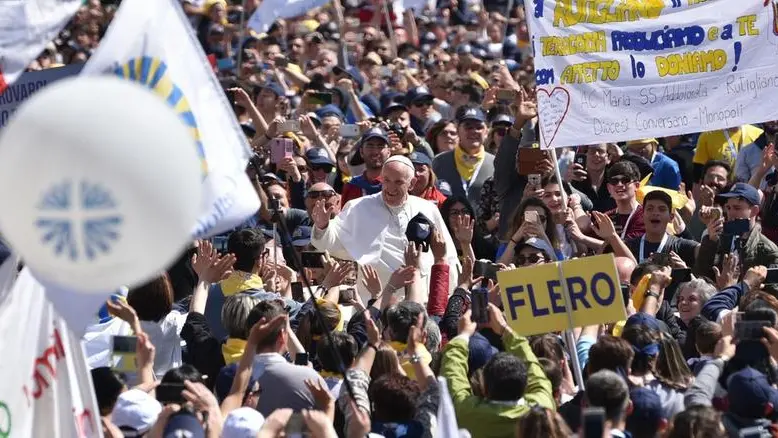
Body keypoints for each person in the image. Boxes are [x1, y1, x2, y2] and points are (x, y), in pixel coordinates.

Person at [311, 155, 459, 302]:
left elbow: (447, 254)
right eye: (386, 180)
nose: (390, 188)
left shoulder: (427, 208)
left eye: (398, 182)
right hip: (377, 299)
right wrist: (322, 225)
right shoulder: (358, 207)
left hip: (421, 296)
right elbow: (331, 243)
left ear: (412, 183)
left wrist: (448, 294)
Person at [440, 304, 554, 437]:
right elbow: (534, 370)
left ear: (484, 387)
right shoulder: (542, 409)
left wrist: (463, 335)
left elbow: (452, 375)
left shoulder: (467, 413)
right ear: (526, 384)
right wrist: (504, 329)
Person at [694, 182, 778, 279]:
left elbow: (772, 291)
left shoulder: (769, 251)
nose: (731, 213)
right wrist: (710, 242)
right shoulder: (721, 238)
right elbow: (701, 274)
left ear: (754, 211)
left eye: (737, 208)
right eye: (728, 208)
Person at [432, 106, 495, 212]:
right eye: (468, 127)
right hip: (446, 226)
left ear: (486, 132)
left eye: (479, 127)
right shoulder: (439, 161)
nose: (474, 131)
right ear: (458, 130)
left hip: (485, 227)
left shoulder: (495, 163)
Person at [341, 127, 392, 206]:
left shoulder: (395, 184)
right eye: (370, 146)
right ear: (361, 152)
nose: (375, 152)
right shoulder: (352, 186)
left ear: (389, 152)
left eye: (380, 146)